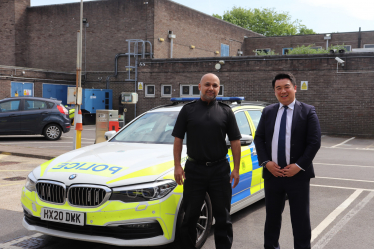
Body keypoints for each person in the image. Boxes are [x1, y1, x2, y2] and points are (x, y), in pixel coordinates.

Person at [172, 73, 242, 249]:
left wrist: (236, 169)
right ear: (199, 87)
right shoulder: (187, 110)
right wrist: (177, 166)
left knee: (223, 218)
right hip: (194, 170)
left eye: (215, 85)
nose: (211, 88)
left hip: (220, 170)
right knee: (190, 217)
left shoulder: (226, 111)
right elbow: (178, 139)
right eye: (207, 85)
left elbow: (235, 141)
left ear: (219, 88)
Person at [254, 72, 321, 249]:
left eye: (286, 87)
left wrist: (298, 166)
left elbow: (314, 142)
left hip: (298, 176)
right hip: (272, 175)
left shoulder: (307, 111)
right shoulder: (268, 111)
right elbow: (259, 138)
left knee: (300, 220)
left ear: (294, 88)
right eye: (278, 88)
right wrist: (266, 163)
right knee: (272, 219)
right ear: (274, 91)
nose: (283, 91)